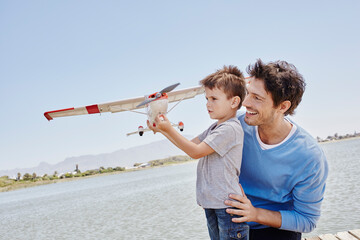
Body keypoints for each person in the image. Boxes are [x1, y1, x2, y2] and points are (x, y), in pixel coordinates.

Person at [224, 59, 329, 240]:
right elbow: (200, 148)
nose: (245, 103)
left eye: (257, 98)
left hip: (277, 230)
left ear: (282, 106)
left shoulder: (309, 156)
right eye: (248, 93)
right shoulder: (236, 126)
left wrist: (254, 213)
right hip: (234, 225)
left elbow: (307, 220)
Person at [148, 66, 249, 240]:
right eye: (206, 98)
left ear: (234, 102)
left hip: (227, 208)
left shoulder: (230, 129)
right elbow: (190, 145)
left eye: (214, 99)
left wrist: (169, 129)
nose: (208, 104)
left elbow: (195, 152)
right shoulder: (215, 127)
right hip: (214, 205)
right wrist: (162, 130)